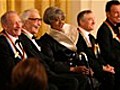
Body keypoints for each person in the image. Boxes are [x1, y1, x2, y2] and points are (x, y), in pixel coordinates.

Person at [19, 8, 79, 90]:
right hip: (43, 74)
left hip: (50, 71)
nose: (39, 24)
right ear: (24, 22)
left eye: (40, 20)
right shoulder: (26, 39)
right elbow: (44, 61)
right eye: (36, 20)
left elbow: (45, 59)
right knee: (73, 81)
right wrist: (71, 68)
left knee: (82, 79)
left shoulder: (33, 39)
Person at [36, 6, 94, 90]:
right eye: (56, 20)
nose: (61, 23)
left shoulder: (71, 35)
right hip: (60, 72)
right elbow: (51, 63)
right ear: (50, 22)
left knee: (86, 78)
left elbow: (78, 54)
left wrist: (85, 68)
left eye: (62, 19)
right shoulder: (46, 40)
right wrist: (72, 69)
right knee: (77, 81)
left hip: (74, 69)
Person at [76, 10, 115, 90]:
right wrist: (102, 68)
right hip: (87, 69)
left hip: (97, 67)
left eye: (94, 19)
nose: (94, 22)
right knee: (109, 78)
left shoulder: (92, 38)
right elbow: (84, 57)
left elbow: (98, 55)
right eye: (90, 19)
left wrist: (106, 66)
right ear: (81, 22)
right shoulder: (77, 37)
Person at [0, 11, 28, 90]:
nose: (19, 26)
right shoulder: (2, 43)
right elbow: (9, 69)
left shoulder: (23, 38)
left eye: (19, 22)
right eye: (15, 23)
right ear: (5, 26)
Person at [97, 1, 120, 90]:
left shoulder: (117, 26)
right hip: (112, 64)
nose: (119, 15)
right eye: (116, 13)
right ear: (108, 14)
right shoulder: (104, 30)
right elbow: (107, 54)